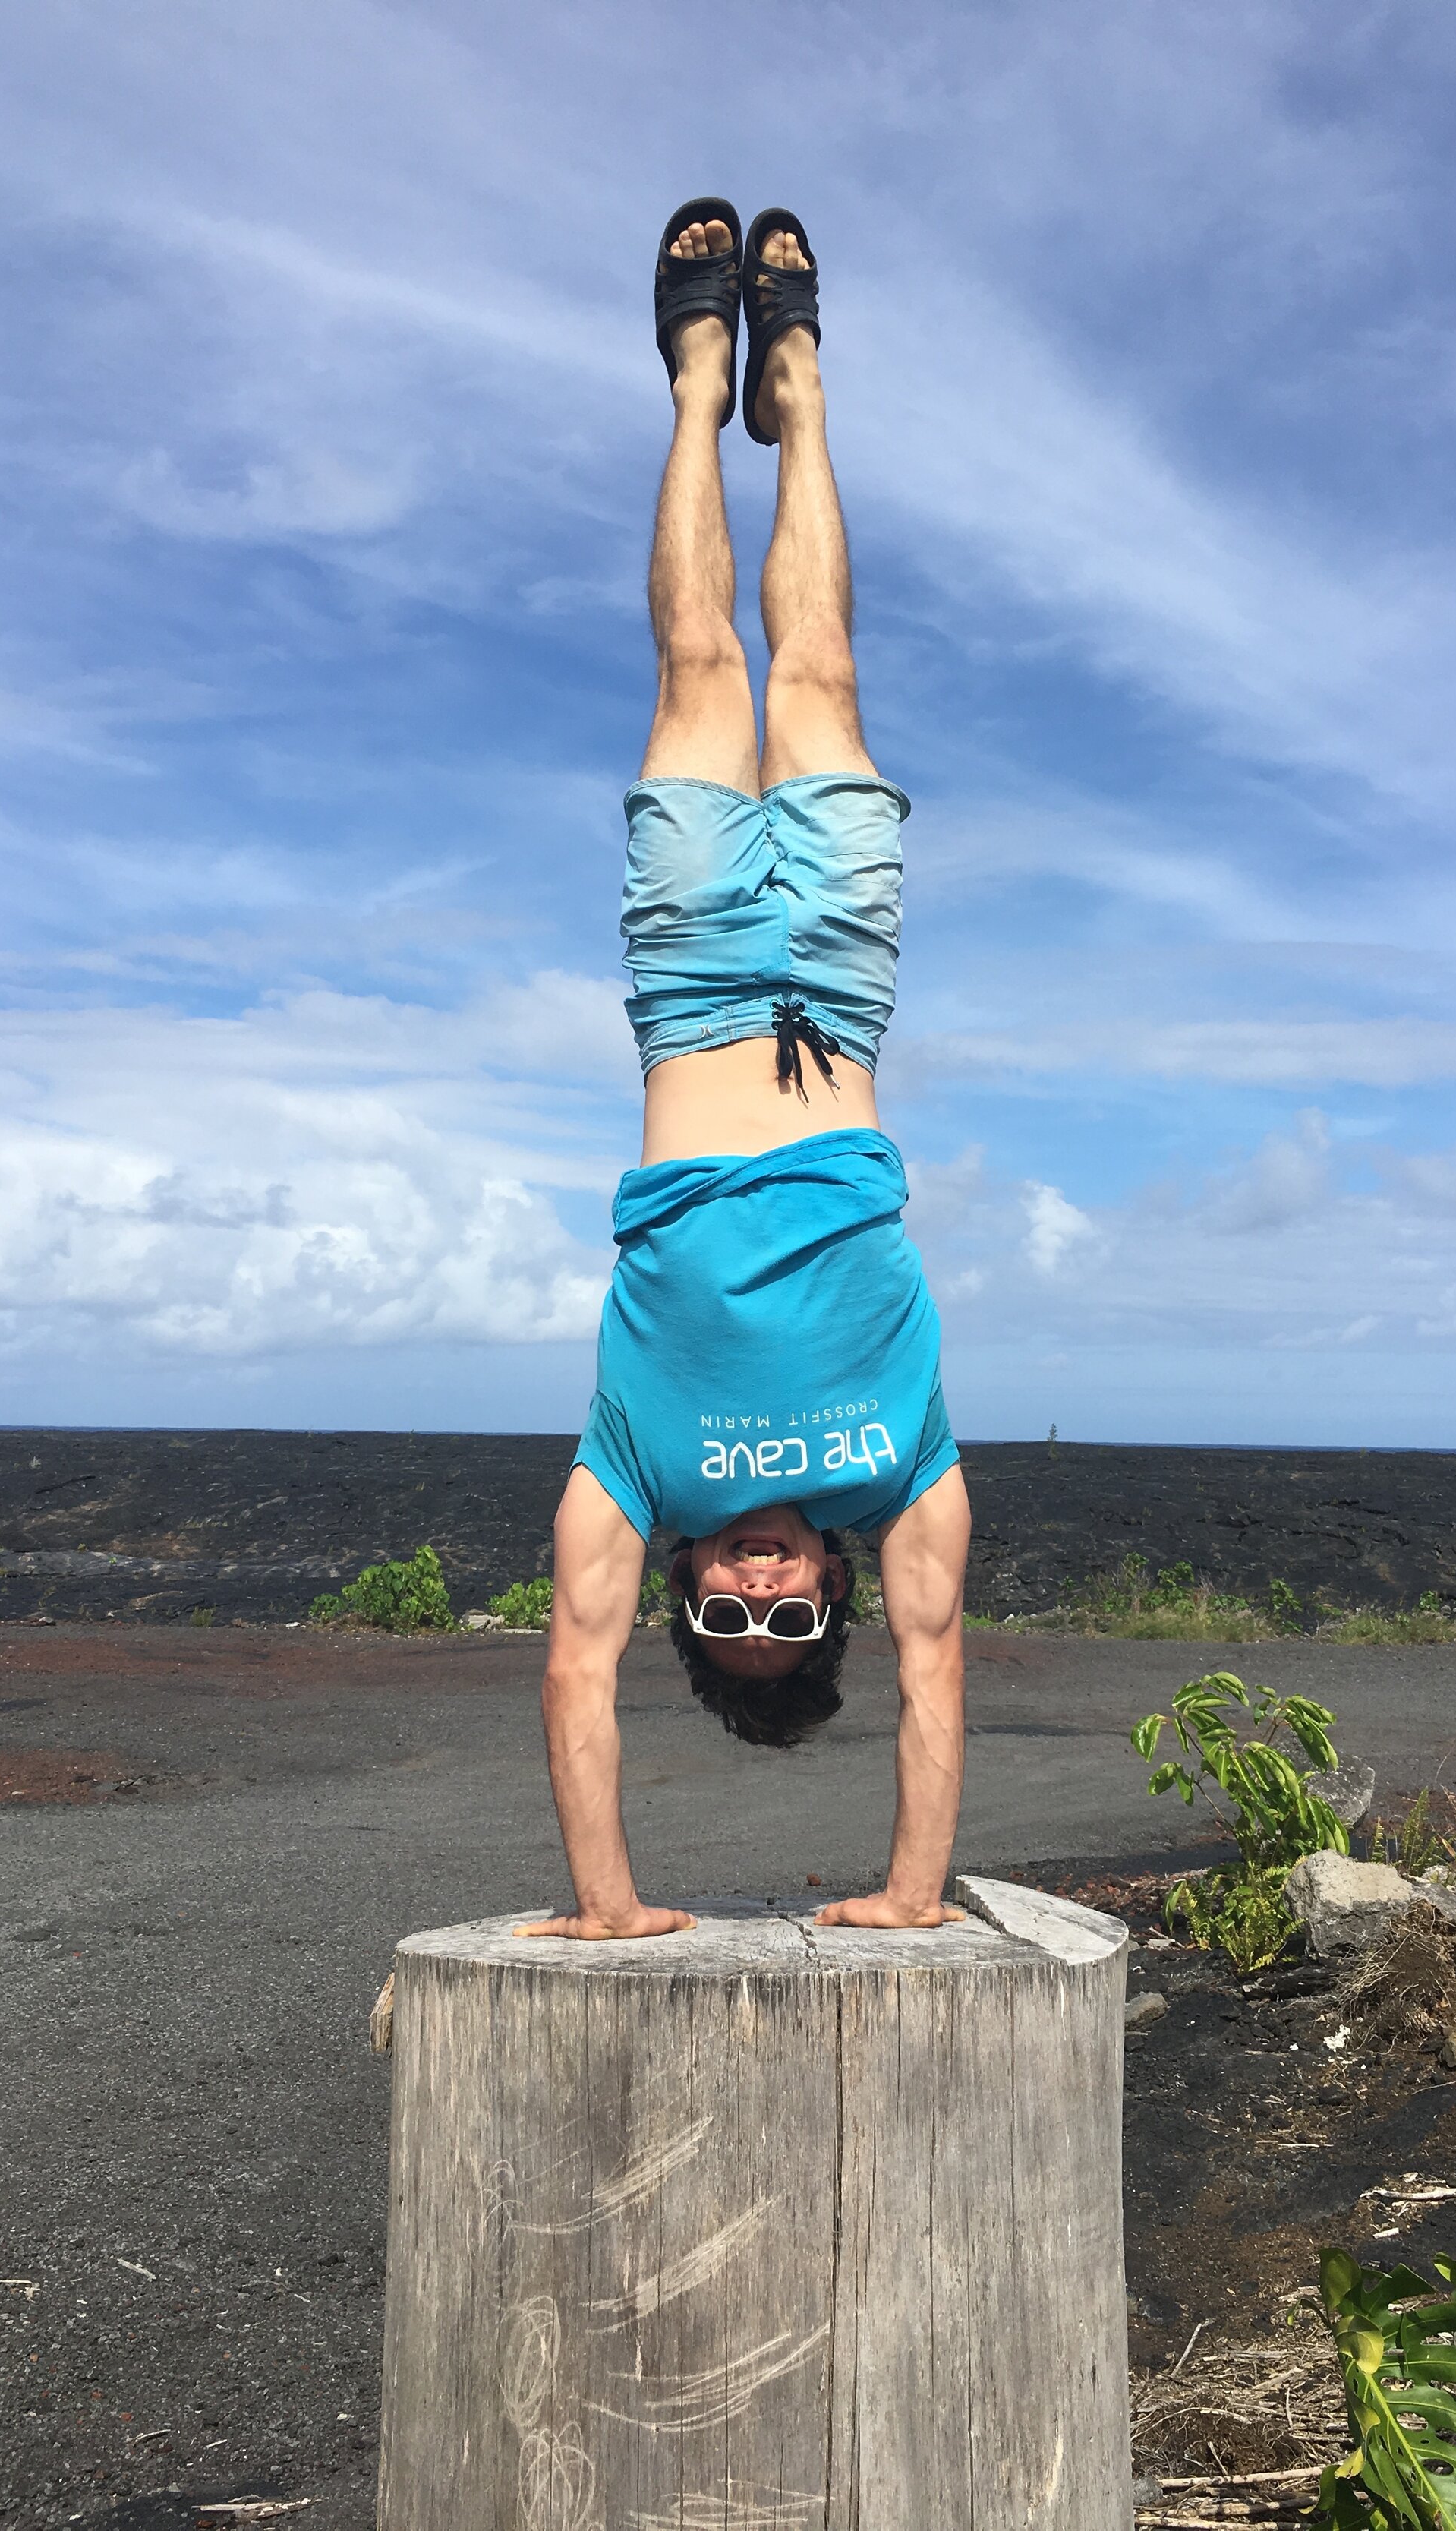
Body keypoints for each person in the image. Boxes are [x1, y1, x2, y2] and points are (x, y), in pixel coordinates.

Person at [517, 200, 971, 1946]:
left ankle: (702, 378)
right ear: (834, 1588)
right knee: (829, 673)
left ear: (685, 1594)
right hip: (838, 1004)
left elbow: (569, 1661)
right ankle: (803, 379)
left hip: (699, 990)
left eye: (735, 1616)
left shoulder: (632, 1470)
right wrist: (913, 1888)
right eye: (795, 1615)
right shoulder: (899, 1470)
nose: (766, 1592)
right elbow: (934, 1666)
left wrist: (607, 1905)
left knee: (707, 667)